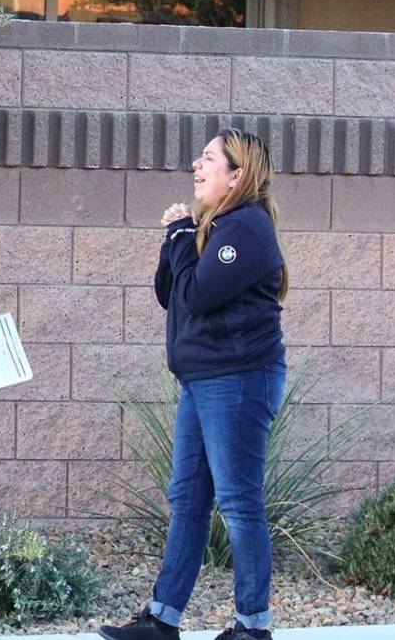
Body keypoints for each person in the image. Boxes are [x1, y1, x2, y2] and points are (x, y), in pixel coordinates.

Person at [99, 129, 288, 640]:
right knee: (188, 497)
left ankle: (253, 626)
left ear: (237, 174)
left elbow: (200, 295)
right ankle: (163, 619)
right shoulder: (216, 227)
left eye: (208, 158)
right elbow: (172, 294)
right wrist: (178, 236)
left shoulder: (247, 228)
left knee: (238, 501)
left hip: (240, 380)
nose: (196, 165)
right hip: (204, 380)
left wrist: (184, 235)